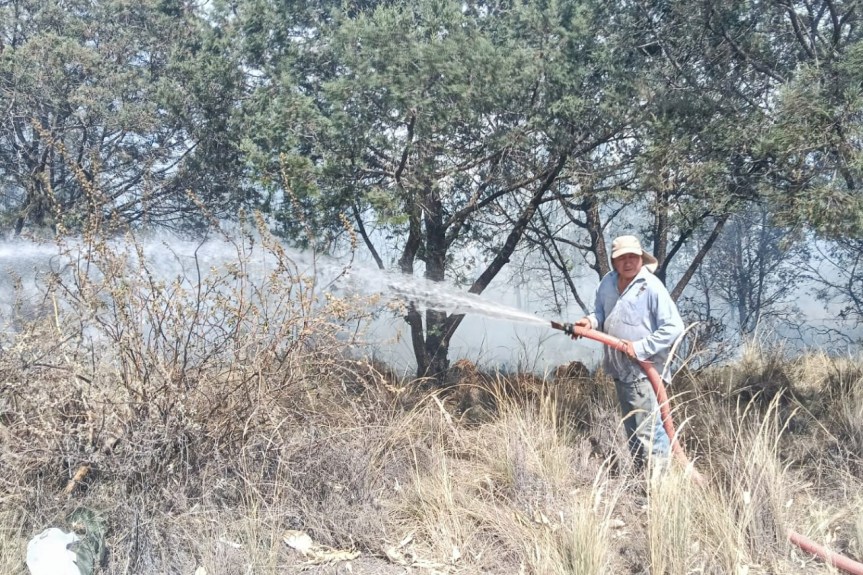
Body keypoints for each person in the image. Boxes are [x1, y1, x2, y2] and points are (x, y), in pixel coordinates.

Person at [572, 235, 683, 470]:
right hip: (620, 370)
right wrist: (588, 323)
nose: (628, 262)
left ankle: (659, 487)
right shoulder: (607, 284)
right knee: (633, 431)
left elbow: (674, 327)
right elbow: (602, 315)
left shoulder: (651, 287)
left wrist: (640, 347)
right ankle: (641, 479)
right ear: (614, 262)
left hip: (645, 371)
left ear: (641, 259)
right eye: (622, 258)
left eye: (633, 256)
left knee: (649, 432)